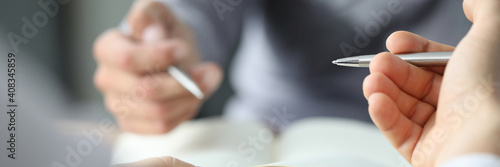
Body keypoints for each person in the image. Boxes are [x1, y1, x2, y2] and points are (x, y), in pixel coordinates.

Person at [111, 0, 500, 166]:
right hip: (264, 132)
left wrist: (480, 127)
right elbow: (192, 12)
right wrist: (166, 44)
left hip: (456, 128)